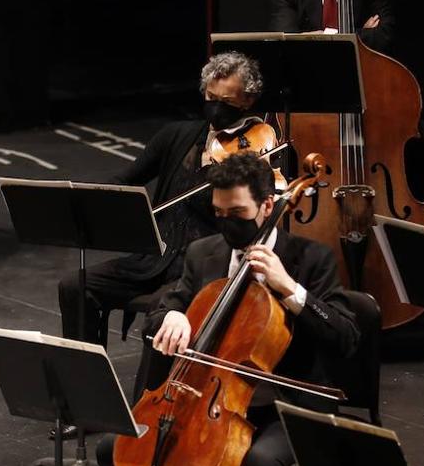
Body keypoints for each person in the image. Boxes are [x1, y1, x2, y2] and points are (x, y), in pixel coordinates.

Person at [98, 152, 360, 466]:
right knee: (112, 448)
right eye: (218, 214)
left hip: (285, 403)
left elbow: (345, 336)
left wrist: (289, 290)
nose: (226, 224)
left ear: (266, 207)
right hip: (209, 395)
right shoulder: (205, 255)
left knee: (262, 464)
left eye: (237, 214)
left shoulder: (310, 259)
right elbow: (167, 307)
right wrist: (172, 316)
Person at [58, 52, 268, 394]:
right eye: (210, 98)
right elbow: (128, 177)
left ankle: (149, 407)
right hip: (154, 257)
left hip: (198, 270)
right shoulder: (177, 136)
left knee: (162, 308)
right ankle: (86, 395)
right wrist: (81, 196)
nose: (216, 109)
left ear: (248, 100)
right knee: (75, 285)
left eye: (226, 102)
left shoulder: (253, 153)